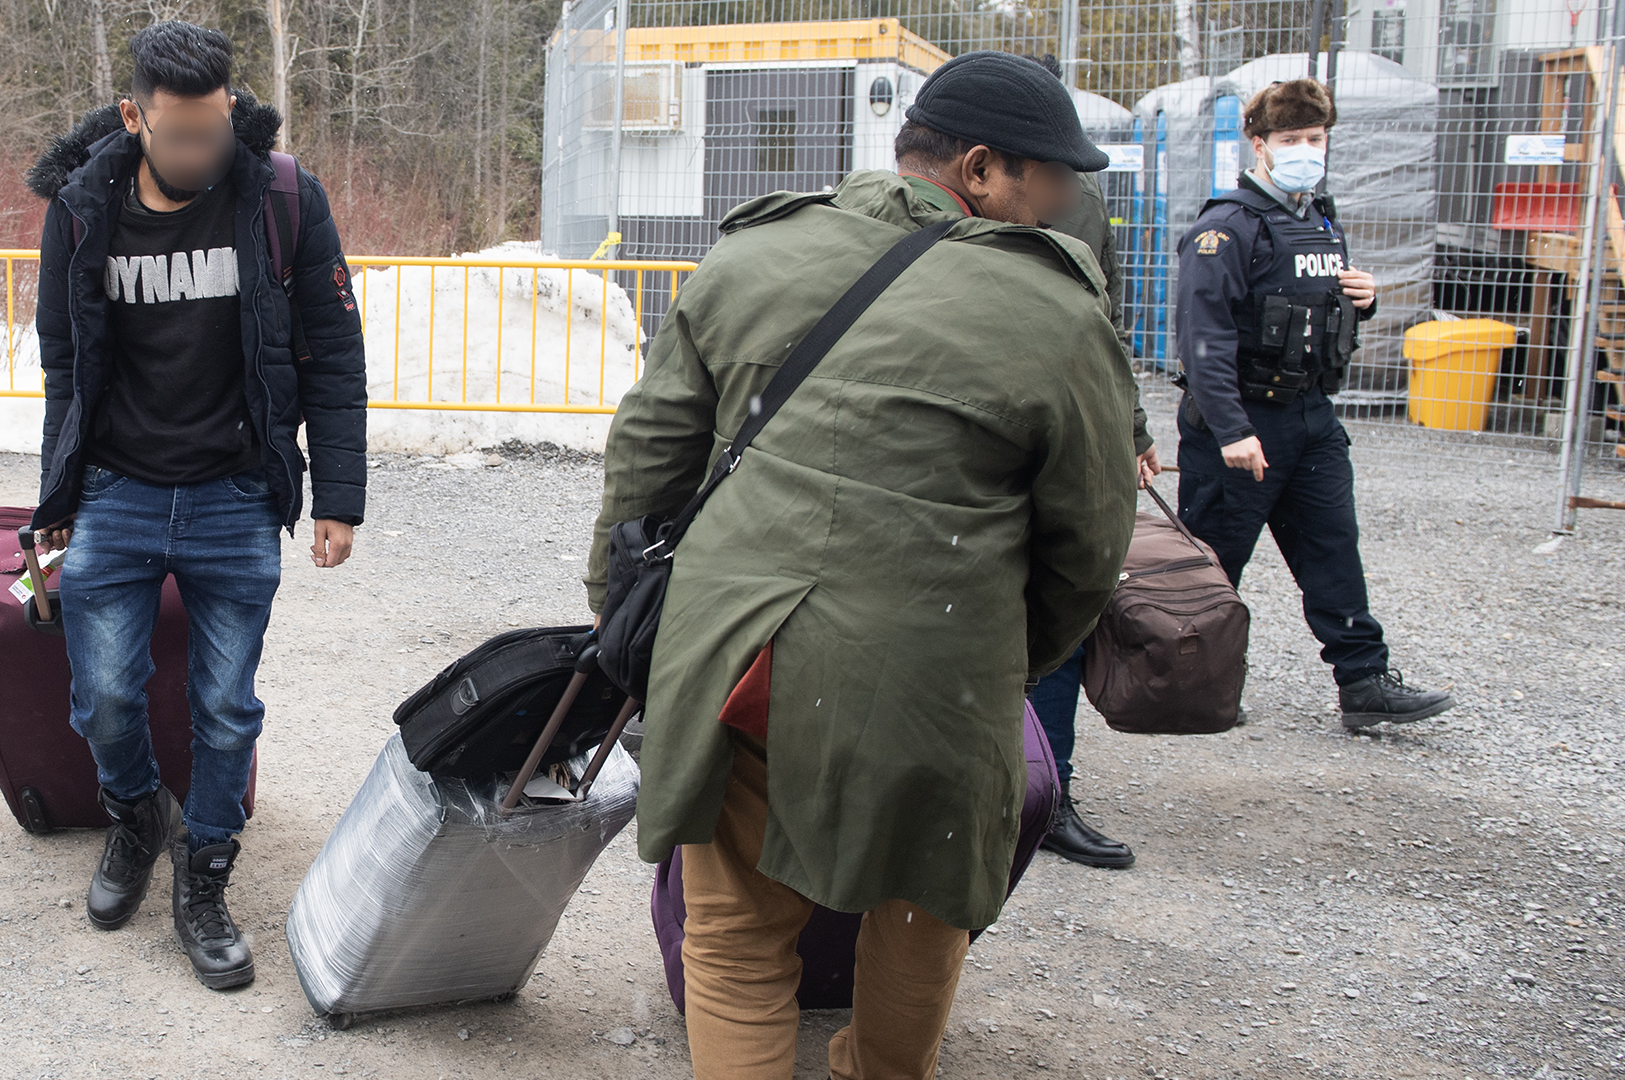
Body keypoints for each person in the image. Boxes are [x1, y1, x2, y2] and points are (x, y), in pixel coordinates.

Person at [588, 51, 1137, 1080]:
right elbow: (1089, 548)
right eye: (1054, 177)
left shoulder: (750, 259)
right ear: (979, 170)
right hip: (936, 668)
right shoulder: (1058, 315)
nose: (1069, 200)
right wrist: (1005, 664)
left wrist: (630, 630)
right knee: (924, 914)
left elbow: (645, 468)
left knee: (737, 938)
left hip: (740, 657)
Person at [24, 20, 368, 989]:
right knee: (102, 696)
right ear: (135, 118)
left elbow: (334, 355)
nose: (203, 153)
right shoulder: (82, 207)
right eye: (180, 135)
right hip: (118, 492)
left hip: (233, 496)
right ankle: (138, 819)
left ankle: (205, 873)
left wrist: (339, 494)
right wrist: (56, 497)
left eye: (216, 130)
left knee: (225, 708)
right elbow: (66, 366)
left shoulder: (281, 197)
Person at [1174, 78, 1453, 731]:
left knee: (1333, 548)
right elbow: (1203, 340)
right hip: (1241, 420)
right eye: (1292, 139)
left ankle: (1364, 681)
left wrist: (1364, 298)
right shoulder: (1225, 228)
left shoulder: (1320, 220)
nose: (1306, 149)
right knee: (1212, 563)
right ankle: (1185, 688)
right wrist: (1232, 430)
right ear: (1259, 143)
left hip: (1311, 417)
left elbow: (1322, 321)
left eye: (1315, 138)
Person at [1008, 55, 1160, 871]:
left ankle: (1049, 792)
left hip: (1059, 438)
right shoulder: (924, 207)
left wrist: (1128, 428)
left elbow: (1107, 325)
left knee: (1061, 620)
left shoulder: (1083, 203)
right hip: (979, 444)